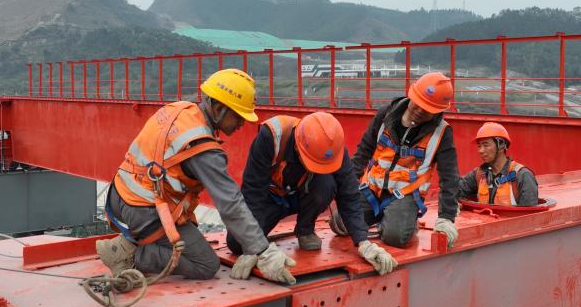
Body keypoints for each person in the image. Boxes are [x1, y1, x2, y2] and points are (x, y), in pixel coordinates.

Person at [95, 68, 297, 285]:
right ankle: (128, 255)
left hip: (120, 195)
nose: (241, 124)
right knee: (206, 264)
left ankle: (128, 243)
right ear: (218, 108)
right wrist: (263, 251)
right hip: (143, 209)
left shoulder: (179, 110)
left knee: (191, 235)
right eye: (238, 117)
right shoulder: (201, 147)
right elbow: (230, 204)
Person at [228, 112, 397, 275]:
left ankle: (305, 230)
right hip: (270, 198)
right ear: (297, 146)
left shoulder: (333, 147)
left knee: (326, 184)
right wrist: (255, 246)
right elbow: (253, 192)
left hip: (302, 195)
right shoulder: (271, 137)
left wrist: (363, 241)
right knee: (237, 244)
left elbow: (349, 194)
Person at [330, 72, 461, 249]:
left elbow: (450, 177)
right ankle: (387, 217)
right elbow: (363, 152)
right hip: (372, 190)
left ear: (438, 111)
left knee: (395, 237)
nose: (420, 110)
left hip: (405, 195)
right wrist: (347, 188)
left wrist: (446, 218)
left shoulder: (442, 133)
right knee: (339, 224)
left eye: (428, 109)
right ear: (411, 95)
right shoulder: (386, 115)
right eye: (418, 104)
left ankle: (403, 221)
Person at [459, 122, 538, 206]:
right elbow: (454, 192)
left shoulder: (523, 175)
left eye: (486, 145)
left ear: (501, 145)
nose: (480, 151)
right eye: (479, 146)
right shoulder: (479, 174)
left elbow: (530, 213)